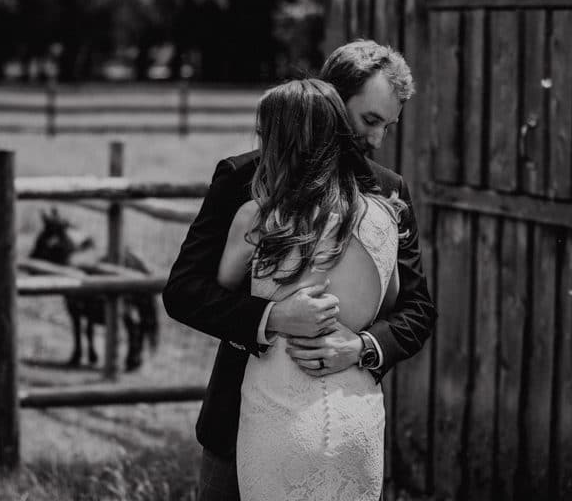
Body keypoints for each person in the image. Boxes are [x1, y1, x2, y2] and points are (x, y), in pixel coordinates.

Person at [162, 40, 435, 500]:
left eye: (388, 127)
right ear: (330, 98)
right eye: (370, 120)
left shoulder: (389, 191)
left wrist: (363, 346)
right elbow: (184, 291)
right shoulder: (243, 179)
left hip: (343, 427)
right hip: (239, 424)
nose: (376, 140)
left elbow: (418, 308)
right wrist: (270, 318)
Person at [219, 77, 407, 499]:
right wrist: (357, 339)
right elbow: (391, 300)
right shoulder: (383, 213)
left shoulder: (260, 217)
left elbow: (223, 285)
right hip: (356, 414)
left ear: (279, 141)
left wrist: (276, 310)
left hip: (279, 417)